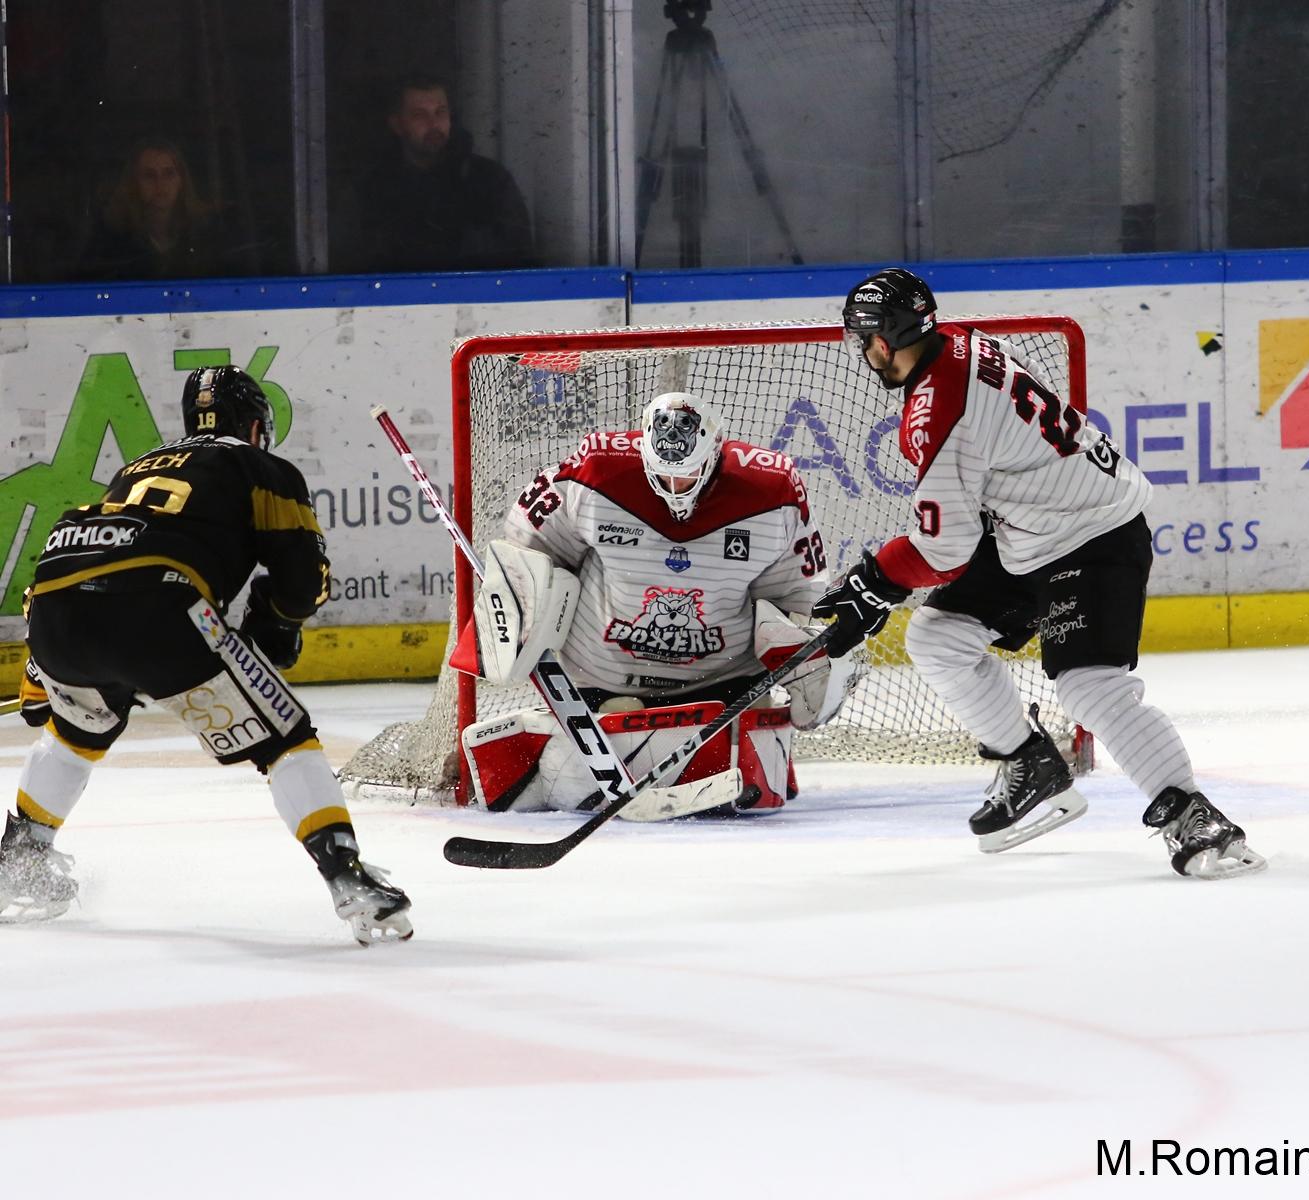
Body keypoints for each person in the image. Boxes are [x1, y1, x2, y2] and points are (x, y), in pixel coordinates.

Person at [815, 268, 1264, 879]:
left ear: (891, 338)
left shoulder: (936, 411)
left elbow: (944, 548)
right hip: (1033, 529)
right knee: (938, 636)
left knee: (1088, 687)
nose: (866, 354)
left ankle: (1196, 817)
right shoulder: (965, 343)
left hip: (1094, 534)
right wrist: (878, 586)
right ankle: (1031, 765)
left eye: (868, 339)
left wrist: (873, 581)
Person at [0, 367, 412, 944]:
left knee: (74, 734)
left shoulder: (134, 470)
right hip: (161, 607)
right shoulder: (261, 467)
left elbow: (90, 564)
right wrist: (279, 620)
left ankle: (17, 863)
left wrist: (40, 669)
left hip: (54, 607)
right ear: (255, 425)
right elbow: (301, 579)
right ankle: (347, 877)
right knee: (287, 740)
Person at [456, 392, 852, 818]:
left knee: (754, 734)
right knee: (618, 719)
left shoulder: (772, 493)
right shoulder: (594, 472)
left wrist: (806, 662)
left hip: (724, 681)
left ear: (715, 454)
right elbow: (524, 552)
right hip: (604, 677)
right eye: (663, 477)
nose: (674, 490)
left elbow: (796, 598)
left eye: (687, 477)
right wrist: (516, 617)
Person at [348, 75, 535, 273]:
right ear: (397, 124)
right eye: (419, 115)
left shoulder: (490, 180)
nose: (433, 123)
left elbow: (519, 261)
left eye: (440, 112)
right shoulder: (373, 189)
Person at [75, 139, 225, 281]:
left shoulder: (206, 235)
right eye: (149, 175)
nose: (160, 184)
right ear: (134, 183)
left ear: (182, 181)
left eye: (168, 173)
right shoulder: (110, 243)